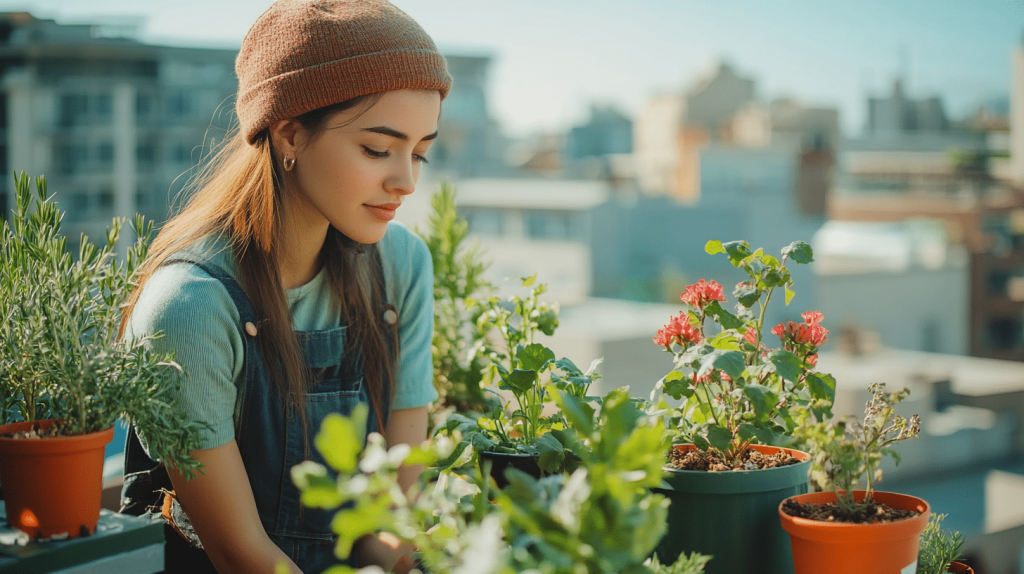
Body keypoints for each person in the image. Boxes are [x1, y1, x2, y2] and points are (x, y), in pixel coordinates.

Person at [118, 1, 450, 572]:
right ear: (289, 133)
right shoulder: (189, 307)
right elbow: (240, 552)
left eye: (419, 152)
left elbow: (390, 519)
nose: (407, 181)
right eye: (378, 149)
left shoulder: (400, 267)